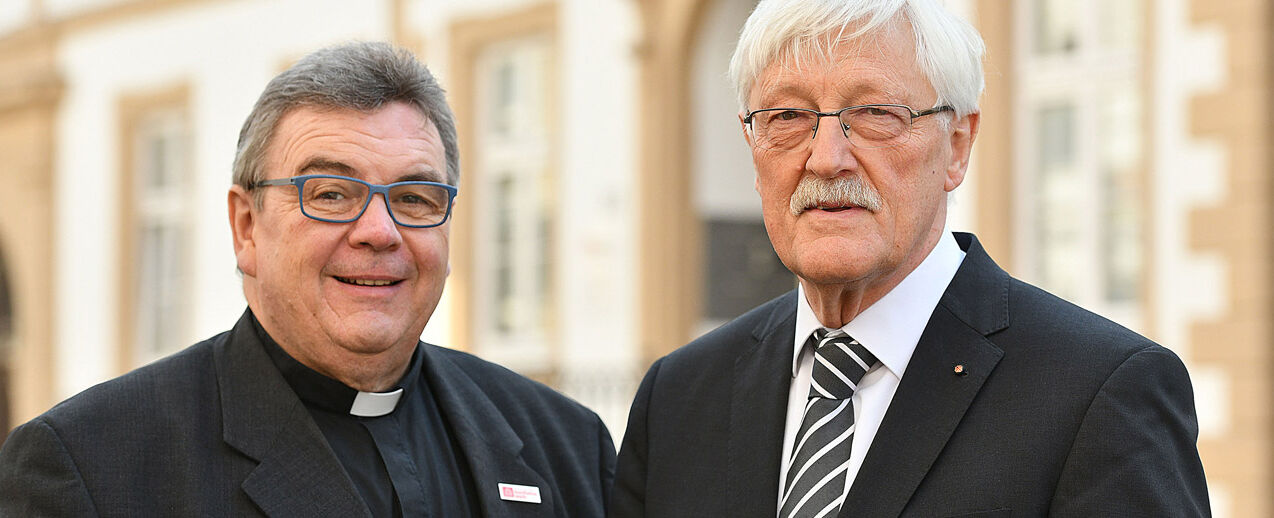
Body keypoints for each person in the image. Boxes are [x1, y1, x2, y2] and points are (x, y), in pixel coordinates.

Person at [610, 1, 1209, 516]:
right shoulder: (680, 398)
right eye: (787, 117)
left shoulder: (1098, 394)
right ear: (753, 143)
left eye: (874, 115)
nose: (826, 158)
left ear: (957, 145)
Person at [0, 42, 614, 517]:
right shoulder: (94, 467)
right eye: (330, 193)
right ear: (247, 227)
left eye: (416, 197)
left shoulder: (564, 444)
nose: (380, 231)